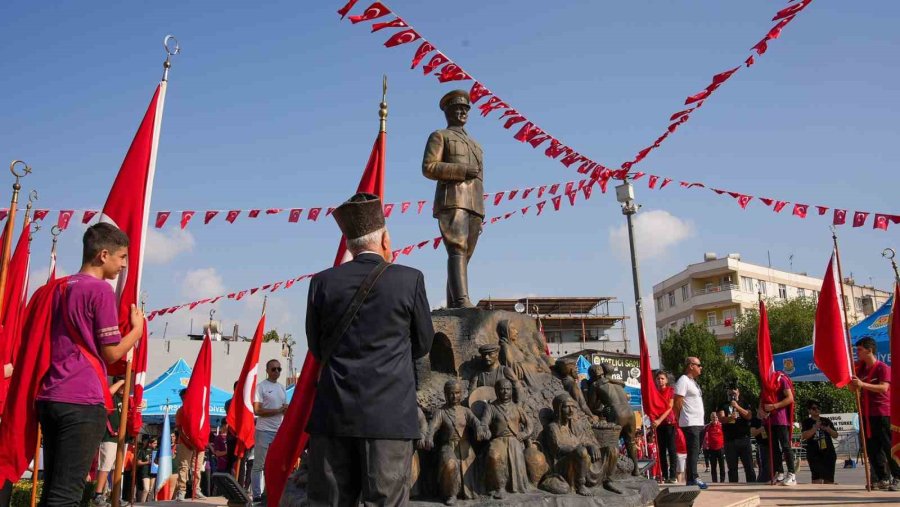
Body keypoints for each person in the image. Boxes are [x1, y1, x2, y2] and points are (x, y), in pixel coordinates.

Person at [305, 193, 435, 506]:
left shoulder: (322, 282)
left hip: (334, 414)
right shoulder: (409, 279)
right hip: (389, 417)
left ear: (349, 244)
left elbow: (317, 347)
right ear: (385, 239)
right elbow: (423, 342)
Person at [33, 223, 144, 507]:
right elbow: (110, 353)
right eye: (122, 257)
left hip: (50, 394)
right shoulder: (100, 291)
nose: (123, 265)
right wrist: (136, 331)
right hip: (81, 398)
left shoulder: (57, 288)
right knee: (67, 493)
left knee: (52, 489)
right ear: (103, 255)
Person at [422, 89, 485, 308]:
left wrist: (480, 210)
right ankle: (461, 300)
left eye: (465, 108)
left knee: (465, 254)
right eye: (457, 108)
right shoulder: (440, 136)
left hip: (474, 204)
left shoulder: (476, 145)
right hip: (453, 199)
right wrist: (460, 170)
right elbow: (429, 167)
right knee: (457, 249)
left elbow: (479, 180)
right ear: (447, 112)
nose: (461, 112)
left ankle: (454, 302)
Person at [849, 336, 899, 490]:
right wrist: (852, 384)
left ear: (869, 350)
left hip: (882, 412)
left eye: (860, 350)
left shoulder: (882, 368)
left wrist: (862, 384)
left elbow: (884, 388)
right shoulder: (862, 369)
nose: (857, 353)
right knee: (872, 448)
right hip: (867, 414)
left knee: (887, 446)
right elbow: (854, 389)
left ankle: (897, 477)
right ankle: (882, 478)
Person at [251, 359, 287, 502]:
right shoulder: (261, 387)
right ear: (267, 371)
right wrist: (278, 410)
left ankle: (269, 493)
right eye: (273, 369)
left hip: (278, 432)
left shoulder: (282, 388)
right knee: (259, 465)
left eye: (279, 369)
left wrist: (286, 410)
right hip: (264, 431)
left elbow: (284, 410)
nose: (276, 372)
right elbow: (257, 410)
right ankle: (256, 495)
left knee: (274, 465)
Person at [91, 377, 126, 506]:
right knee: (105, 466)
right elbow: (108, 393)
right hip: (109, 437)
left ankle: (115, 495)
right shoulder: (113, 397)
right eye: (121, 385)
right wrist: (121, 382)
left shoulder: (126, 399)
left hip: (121, 439)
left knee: (116, 469)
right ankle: (98, 494)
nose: (123, 388)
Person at [673, 357, 707, 489]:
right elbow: (677, 401)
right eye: (699, 365)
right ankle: (693, 478)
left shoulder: (693, 382)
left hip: (698, 422)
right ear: (691, 366)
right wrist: (678, 417)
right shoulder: (683, 380)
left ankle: (692, 477)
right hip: (690, 422)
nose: (701, 367)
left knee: (695, 451)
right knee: (693, 450)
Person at [762, 371, 796, 486]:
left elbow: (790, 398)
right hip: (769, 420)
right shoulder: (765, 382)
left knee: (785, 446)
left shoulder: (781, 379)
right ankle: (780, 473)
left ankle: (792, 473)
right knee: (773, 447)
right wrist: (761, 411)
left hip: (781, 419)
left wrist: (774, 406)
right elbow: (762, 399)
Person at [719, 384, 756, 483]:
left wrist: (737, 406)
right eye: (730, 393)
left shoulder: (744, 402)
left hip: (744, 439)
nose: (732, 394)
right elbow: (721, 419)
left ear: (738, 392)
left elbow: (749, 416)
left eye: (734, 392)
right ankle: (733, 487)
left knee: (749, 466)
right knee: (732, 469)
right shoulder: (723, 404)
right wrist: (730, 418)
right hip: (730, 440)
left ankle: (752, 487)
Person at [174, 389, 206, 501]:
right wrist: (189, 443)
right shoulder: (180, 411)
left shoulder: (198, 410)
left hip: (198, 443)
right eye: (182, 398)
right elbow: (179, 430)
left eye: (186, 397)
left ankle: (196, 489)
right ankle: (181, 491)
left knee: (197, 468)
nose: (184, 399)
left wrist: (199, 442)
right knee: (184, 466)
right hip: (185, 443)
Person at [800, 400, 838, 484]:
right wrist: (814, 428)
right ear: (809, 410)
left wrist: (828, 429)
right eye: (814, 408)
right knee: (816, 479)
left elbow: (835, 435)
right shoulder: (807, 422)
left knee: (829, 479)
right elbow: (804, 436)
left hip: (828, 452)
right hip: (814, 453)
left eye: (818, 408)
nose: (817, 410)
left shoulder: (826, 420)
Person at [652, 370, 677, 484]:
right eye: (658, 379)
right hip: (658, 424)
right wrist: (654, 420)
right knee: (661, 451)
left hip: (669, 423)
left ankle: (673, 476)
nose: (660, 381)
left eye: (662, 378)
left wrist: (659, 420)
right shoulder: (654, 393)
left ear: (666, 380)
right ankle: (664, 475)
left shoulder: (670, 390)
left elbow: (670, 407)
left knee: (671, 449)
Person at [750, 406, 771, 483]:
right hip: (762, 446)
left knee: (770, 468)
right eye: (763, 410)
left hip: (771, 445)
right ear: (758, 409)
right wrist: (762, 428)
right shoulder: (755, 420)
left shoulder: (769, 419)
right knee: (764, 469)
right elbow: (752, 433)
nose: (765, 412)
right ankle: (759, 483)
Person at [704, 412, 725, 483]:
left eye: (716, 417)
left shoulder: (721, 425)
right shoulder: (708, 426)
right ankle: (714, 481)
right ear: (711, 418)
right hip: (712, 449)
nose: (714, 418)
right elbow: (702, 432)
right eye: (713, 417)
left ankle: (722, 481)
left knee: (722, 466)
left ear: (718, 418)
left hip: (720, 448)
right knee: (713, 467)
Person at [136, 437, 157, 503]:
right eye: (154, 443)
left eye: (156, 443)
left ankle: (149, 503)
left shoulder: (156, 451)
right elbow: (138, 463)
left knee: (151, 490)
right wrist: (147, 462)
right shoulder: (142, 451)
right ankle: (142, 503)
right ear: (150, 444)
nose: (156, 444)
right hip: (145, 472)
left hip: (153, 472)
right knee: (146, 489)